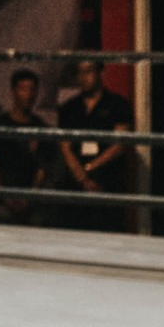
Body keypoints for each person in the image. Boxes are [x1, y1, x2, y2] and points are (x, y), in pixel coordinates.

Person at [57, 58, 133, 231]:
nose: (83, 77)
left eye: (88, 71)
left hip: (109, 182)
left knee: (109, 233)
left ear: (100, 72)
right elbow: (65, 147)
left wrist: (91, 167)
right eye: (79, 73)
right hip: (75, 186)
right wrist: (83, 178)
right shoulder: (69, 108)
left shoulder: (118, 104)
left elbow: (120, 144)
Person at [0, 68, 49, 223]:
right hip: (2, 200)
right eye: (23, 89)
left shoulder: (40, 127)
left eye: (32, 89)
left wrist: (30, 196)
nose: (28, 95)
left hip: (31, 202)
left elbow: (43, 168)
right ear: (13, 91)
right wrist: (4, 195)